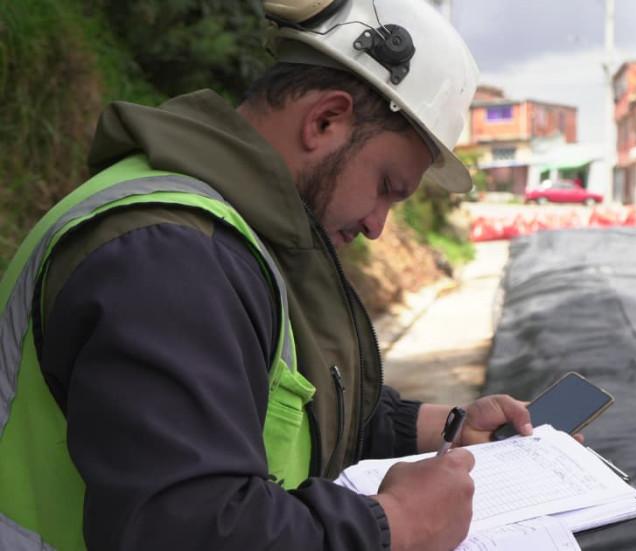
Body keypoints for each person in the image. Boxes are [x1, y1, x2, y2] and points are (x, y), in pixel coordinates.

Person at [0, 1, 535, 550]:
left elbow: (285, 411)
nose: (378, 226)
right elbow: (187, 529)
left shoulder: (231, 235)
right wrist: (394, 524)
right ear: (326, 120)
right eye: (386, 186)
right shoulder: (168, 259)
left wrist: (447, 427)